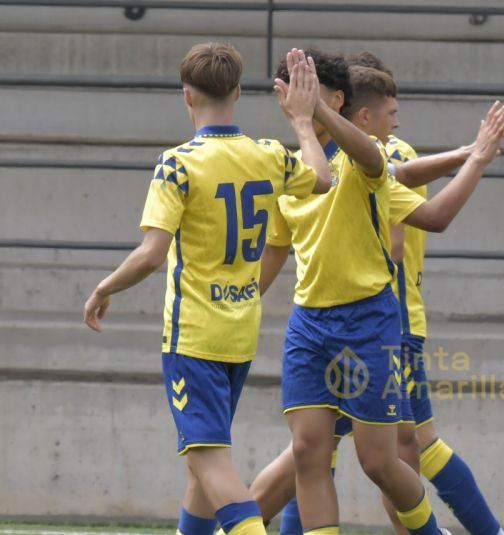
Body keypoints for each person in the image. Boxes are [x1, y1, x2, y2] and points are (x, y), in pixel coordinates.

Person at [249, 53, 504, 535]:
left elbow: (380, 166)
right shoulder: (289, 168)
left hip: (368, 320)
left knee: (382, 461)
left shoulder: (363, 156)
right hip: (308, 323)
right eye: (286, 92)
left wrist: (315, 114)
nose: (289, 101)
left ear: (336, 100)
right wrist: (240, 300)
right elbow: (276, 250)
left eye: (302, 90)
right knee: (309, 452)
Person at [82, 42, 331, 535]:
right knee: (202, 461)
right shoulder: (268, 155)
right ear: (238, 92)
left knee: (210, 461)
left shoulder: (178, 164)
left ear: (186, 97)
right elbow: (322, 179)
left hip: (194, 335)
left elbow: (152, 254)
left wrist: (103, 287)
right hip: (239, 332)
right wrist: (303, 122)